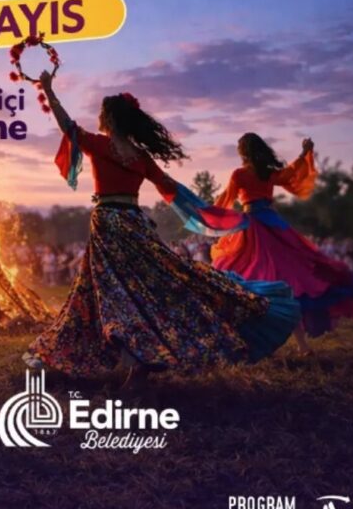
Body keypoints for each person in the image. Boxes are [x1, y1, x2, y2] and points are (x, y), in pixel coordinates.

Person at [24, 73, 300, 384]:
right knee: (152, 283)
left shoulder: (99, 145)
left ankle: (132, 351)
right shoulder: (141, 157)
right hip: (134, 222)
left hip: (108, 223)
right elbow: (169, 186)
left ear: (109, 119)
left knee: (109, 289)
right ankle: (142, 353)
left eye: (102, 114)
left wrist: (49, 91)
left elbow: (67, 126)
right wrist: (205, 211)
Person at [212, 134, 353, 349]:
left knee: (246, 275)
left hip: (253, 229)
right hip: (275, 224)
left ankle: (250, 338)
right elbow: (292, 172)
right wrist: (304, 153)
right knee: (290, 278)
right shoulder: (268, 172)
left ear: (243, 152)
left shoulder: (239, 174)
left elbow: (225, 200)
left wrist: (205, 214)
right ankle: (302, 346)